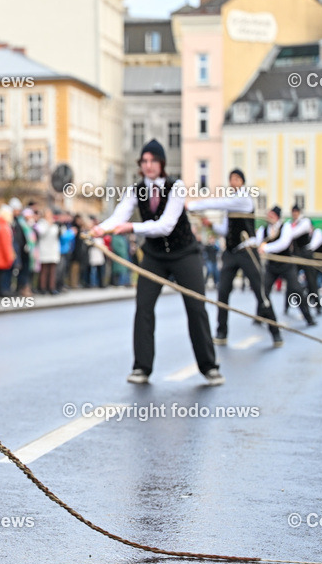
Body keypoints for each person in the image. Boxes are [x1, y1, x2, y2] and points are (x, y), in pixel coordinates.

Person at [92, 139, 224, 386]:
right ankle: (142, 367)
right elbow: (119, 215)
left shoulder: (176, 187)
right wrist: (98, 230)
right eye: (144, 161)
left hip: (185, 253)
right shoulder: (136, 189)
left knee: (196, 308)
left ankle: (209, 367)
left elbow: (165, 225)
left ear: (162, 163)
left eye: (153, 160)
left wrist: (132, 227)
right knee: (143, 308)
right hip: (154, 256)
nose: (149, 165)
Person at [187, 168, 282, 347]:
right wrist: (211, 225)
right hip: (231, 253)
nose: (233, 182)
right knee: (222, 292)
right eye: (231, 179)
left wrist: (193, 205)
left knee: (260, 293)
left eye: (237, 179)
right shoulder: (230, 206)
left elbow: (220, 203)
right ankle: (221, 331)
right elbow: (224, 230)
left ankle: (275, 332)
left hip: (246, 251)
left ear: (242, 182)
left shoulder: (243, 199)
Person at [256, 205, 316, 327]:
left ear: (277, 217)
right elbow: (257, 242)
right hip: (271, 266)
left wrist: (265, 248)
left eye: (271, 215)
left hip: (286, 265)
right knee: (263, 290)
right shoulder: (263, 230)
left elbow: (283, 243)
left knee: (296, 290)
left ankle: (308, 317)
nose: (269, 217)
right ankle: (260, 316)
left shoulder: (286, 227)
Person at [33, 208, 60, 295]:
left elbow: (57, 234)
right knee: (44, 270)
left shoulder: (54, 224)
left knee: (52, 270)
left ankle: (52, 287)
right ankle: (42, 287)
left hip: (53, 249)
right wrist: (48, 225)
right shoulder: (41, 223)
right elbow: (41, 233)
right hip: (44, 249)